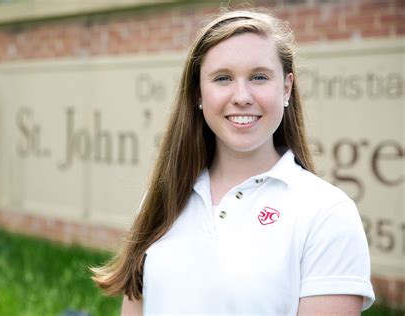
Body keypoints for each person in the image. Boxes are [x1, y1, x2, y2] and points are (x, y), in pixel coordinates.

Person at [91, 8, 375, 315]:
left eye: (259, 77)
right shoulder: (164, 198)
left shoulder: (327, 213)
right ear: (198, 92)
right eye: (223, 78)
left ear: (286, 87)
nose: (242, 96)